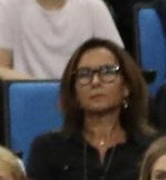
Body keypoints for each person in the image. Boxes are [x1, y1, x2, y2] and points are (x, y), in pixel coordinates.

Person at [26, 39, 154, 180]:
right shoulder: (47, 148)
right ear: (74, 92)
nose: (95, 82)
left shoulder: (151, 148)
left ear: (126, 87)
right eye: (84, 74)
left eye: (107, 72)